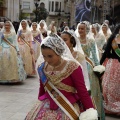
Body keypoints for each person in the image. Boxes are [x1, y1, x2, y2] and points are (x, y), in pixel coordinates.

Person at [25, 34, 98, 120]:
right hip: (46, 104)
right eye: (44, 56)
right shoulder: (42, 67)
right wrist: (38, 104)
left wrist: (90, 111)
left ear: (59, 52)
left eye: (50, 56)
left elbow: (82, 91)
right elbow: (42, 90)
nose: (47, 60)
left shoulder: (72, 67)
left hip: (68, 106)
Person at [75, 22, 105, 120]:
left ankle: (94, 111)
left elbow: (95, 56)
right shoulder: (76, 40)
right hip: (78, 65)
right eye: (79, 28)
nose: (80, 31)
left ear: (86, 29)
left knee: (92, 90)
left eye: (82, 29)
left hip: (88, 66)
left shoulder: (91, 41)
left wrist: (97, 68)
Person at [100, 24, 120, 116]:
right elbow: (106, 53)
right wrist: (99, 64)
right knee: (110, 86)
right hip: (112, 65)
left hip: (113, 64)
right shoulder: (112, 39)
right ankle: (111, 106)